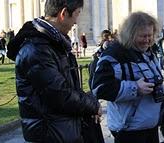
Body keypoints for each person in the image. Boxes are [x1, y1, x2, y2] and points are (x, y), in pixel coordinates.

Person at [6, 0, 102, 142]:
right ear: (63, 14)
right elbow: (59, 94)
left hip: (62, 131)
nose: (75, 22)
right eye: (76, 15)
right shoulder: (36, 49)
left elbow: (71, 87)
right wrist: (93, 105)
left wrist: (89, 106)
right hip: (50, 134)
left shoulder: (55, 44)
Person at [91, 12, 164, 143]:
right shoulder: (115, 54)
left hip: (150, 128)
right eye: (143, 36)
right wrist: (135, 88)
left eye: (150, 35)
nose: (148, 40)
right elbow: (99, 88)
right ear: (130, 34)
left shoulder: (147, 53)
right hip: (129, 131)